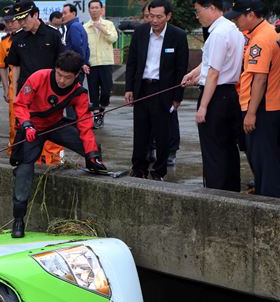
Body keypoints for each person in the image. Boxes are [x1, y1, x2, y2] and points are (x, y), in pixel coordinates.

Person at [10, 51, 106, 238]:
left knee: (92, 147)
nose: (62, 80)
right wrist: (27, 124)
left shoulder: (79, 92)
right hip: (32, 129)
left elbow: (85, 125)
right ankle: (18, 219)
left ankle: (94, 165)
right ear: (55, 69)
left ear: (77, 75)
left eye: (67, 77)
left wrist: (92, 154)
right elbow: (20, 104)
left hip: (55, 125)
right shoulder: (39, 77)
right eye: (59, 74)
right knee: (23, 168)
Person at [182, 0, 244, 192]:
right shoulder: (232, 29)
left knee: (214, 149)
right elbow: (210, 62)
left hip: (216, 96)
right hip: (229, 95)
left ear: (211, 8)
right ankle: (230, 189)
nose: (197, 15)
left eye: (198, 11)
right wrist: (195, 73)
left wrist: (203, 107)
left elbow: (214, 72)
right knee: (227, 147)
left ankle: (216, 192)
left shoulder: (218, 33)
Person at [124, 0, 188, 180]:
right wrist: (129, 88)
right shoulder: (140, 32)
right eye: (151, 16)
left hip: (164, 90)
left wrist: (178, 97)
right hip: (143, 87)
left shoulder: (178, 36)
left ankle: (159, 170)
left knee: (162, 133)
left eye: (159, 16)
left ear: (168, 16)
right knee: (141, 130)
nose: (154, 20)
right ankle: (138, 168)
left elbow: (180, 69)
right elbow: (132, 63)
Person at [227, 0, 280, 197]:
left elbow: (259, 79)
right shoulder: (270, 32)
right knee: (270, 159)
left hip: (261, 107)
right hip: (271, 105)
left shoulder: (260, 40)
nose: (235, 21)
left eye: (238, 17)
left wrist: (250, 113)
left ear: (251, 14)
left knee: (264, 162)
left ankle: (268, 204)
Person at [6, 1, 66, 164]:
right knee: (27, 129)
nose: (21, 23)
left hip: (49, 94)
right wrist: (16, 94)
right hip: (27, 95)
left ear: (35, 15)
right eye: (19, 20)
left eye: (24, 19)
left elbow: (61, 65)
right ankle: (27, 161)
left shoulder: (52, 35)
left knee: (52, 129)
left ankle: (53, 161)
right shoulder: (18, 39)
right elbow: (15, 68)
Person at [84, 0, 118, 128]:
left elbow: (113, 39)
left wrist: (101, 28)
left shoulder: (108, 24)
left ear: (101, 9)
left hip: (105, 62)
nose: (94, 10)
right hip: (91, 63)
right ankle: (97, 116)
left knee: (106, 90)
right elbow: (83, 46)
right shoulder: (85, 27)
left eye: (96, 7)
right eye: (92, 8)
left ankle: (102, 110)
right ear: (89, 10)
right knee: (93, 92)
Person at [0, 5, 22, 149]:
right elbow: (1, 66)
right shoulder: (5, 41)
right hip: (14, 86)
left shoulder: (28, 37)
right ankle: (14, 149)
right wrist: (6, 88)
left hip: (30, 84)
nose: (10, 24)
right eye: (7, 22)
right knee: (14, 121)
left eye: (13, 21)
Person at [62, 3, 90, 81]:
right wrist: (84, 62)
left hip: (74, 67)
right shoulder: (78, 26)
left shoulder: (74, 26)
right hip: (79, 66)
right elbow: (87, 48)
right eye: (62, 13)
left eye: (65, 13)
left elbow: (77, 46)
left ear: (73, 13)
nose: (63, 16)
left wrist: (81, 63)